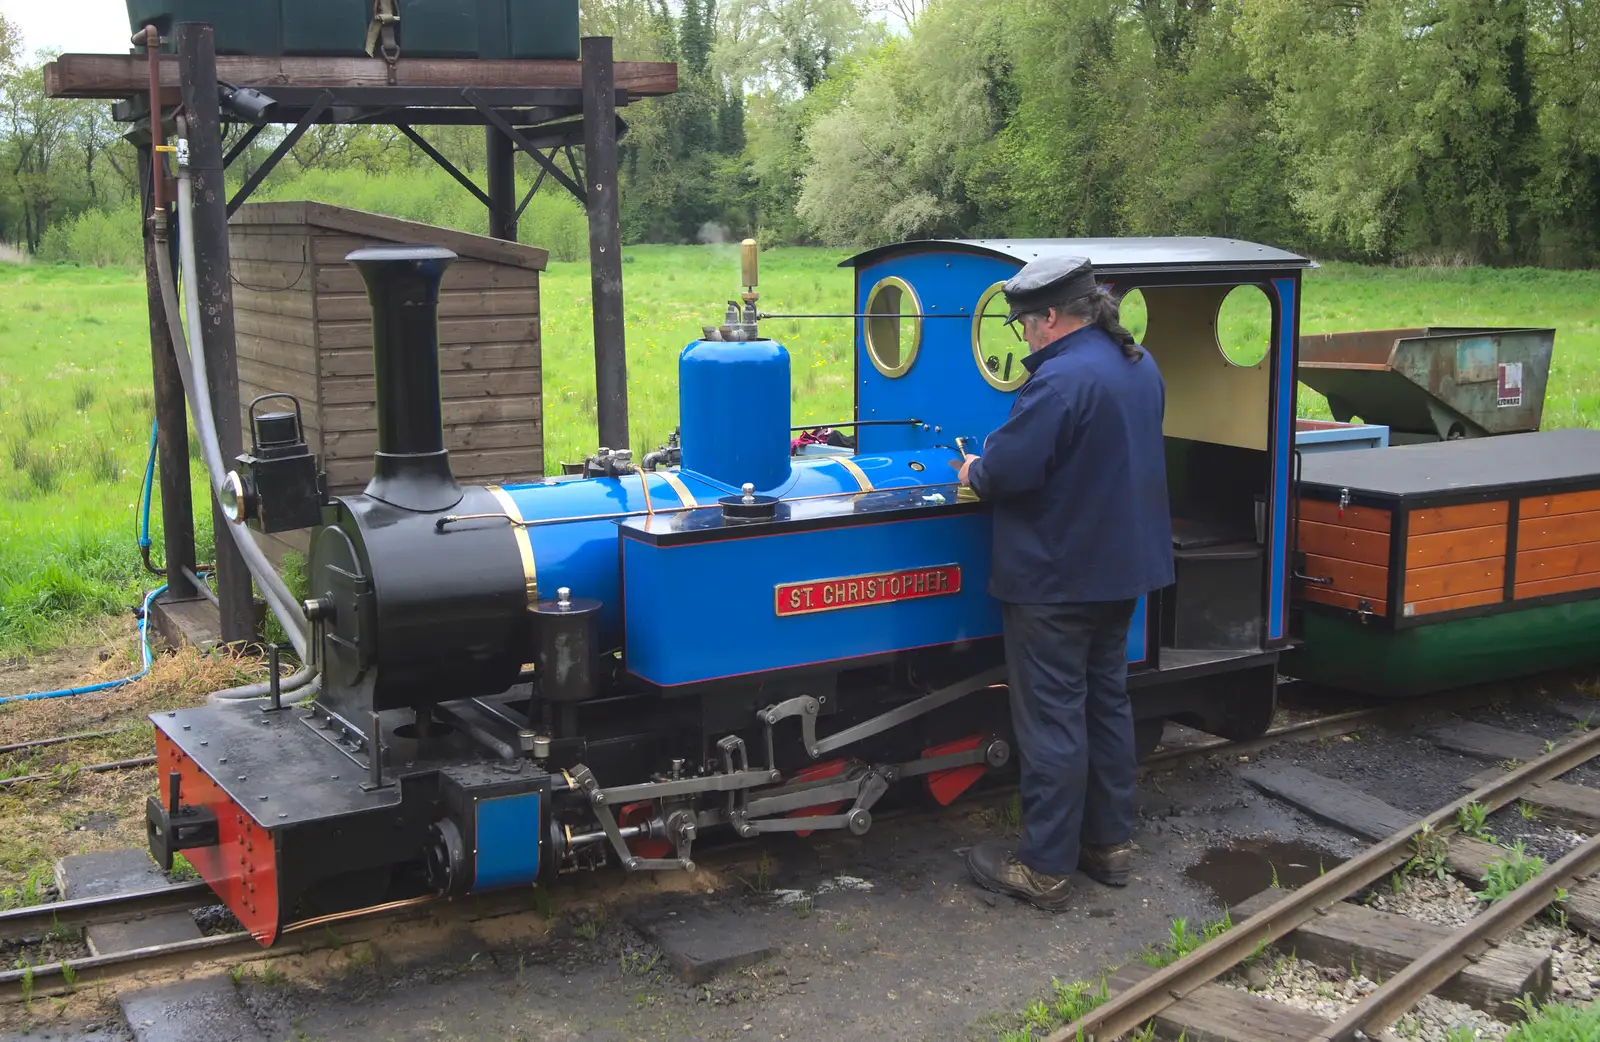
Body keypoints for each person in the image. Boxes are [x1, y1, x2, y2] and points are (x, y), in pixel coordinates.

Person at [955, 254, 1174, 912]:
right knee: (1106, 705)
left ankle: (1045, 868)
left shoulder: (1060, 382)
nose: (1023, 336)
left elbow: (1009, 470)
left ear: (1050, 316)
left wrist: (974, 468)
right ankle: (1109, 846)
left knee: (1052, 720)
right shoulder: (1140, 366)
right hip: (1120, 575)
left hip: (1056, 580)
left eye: (1024, 324)